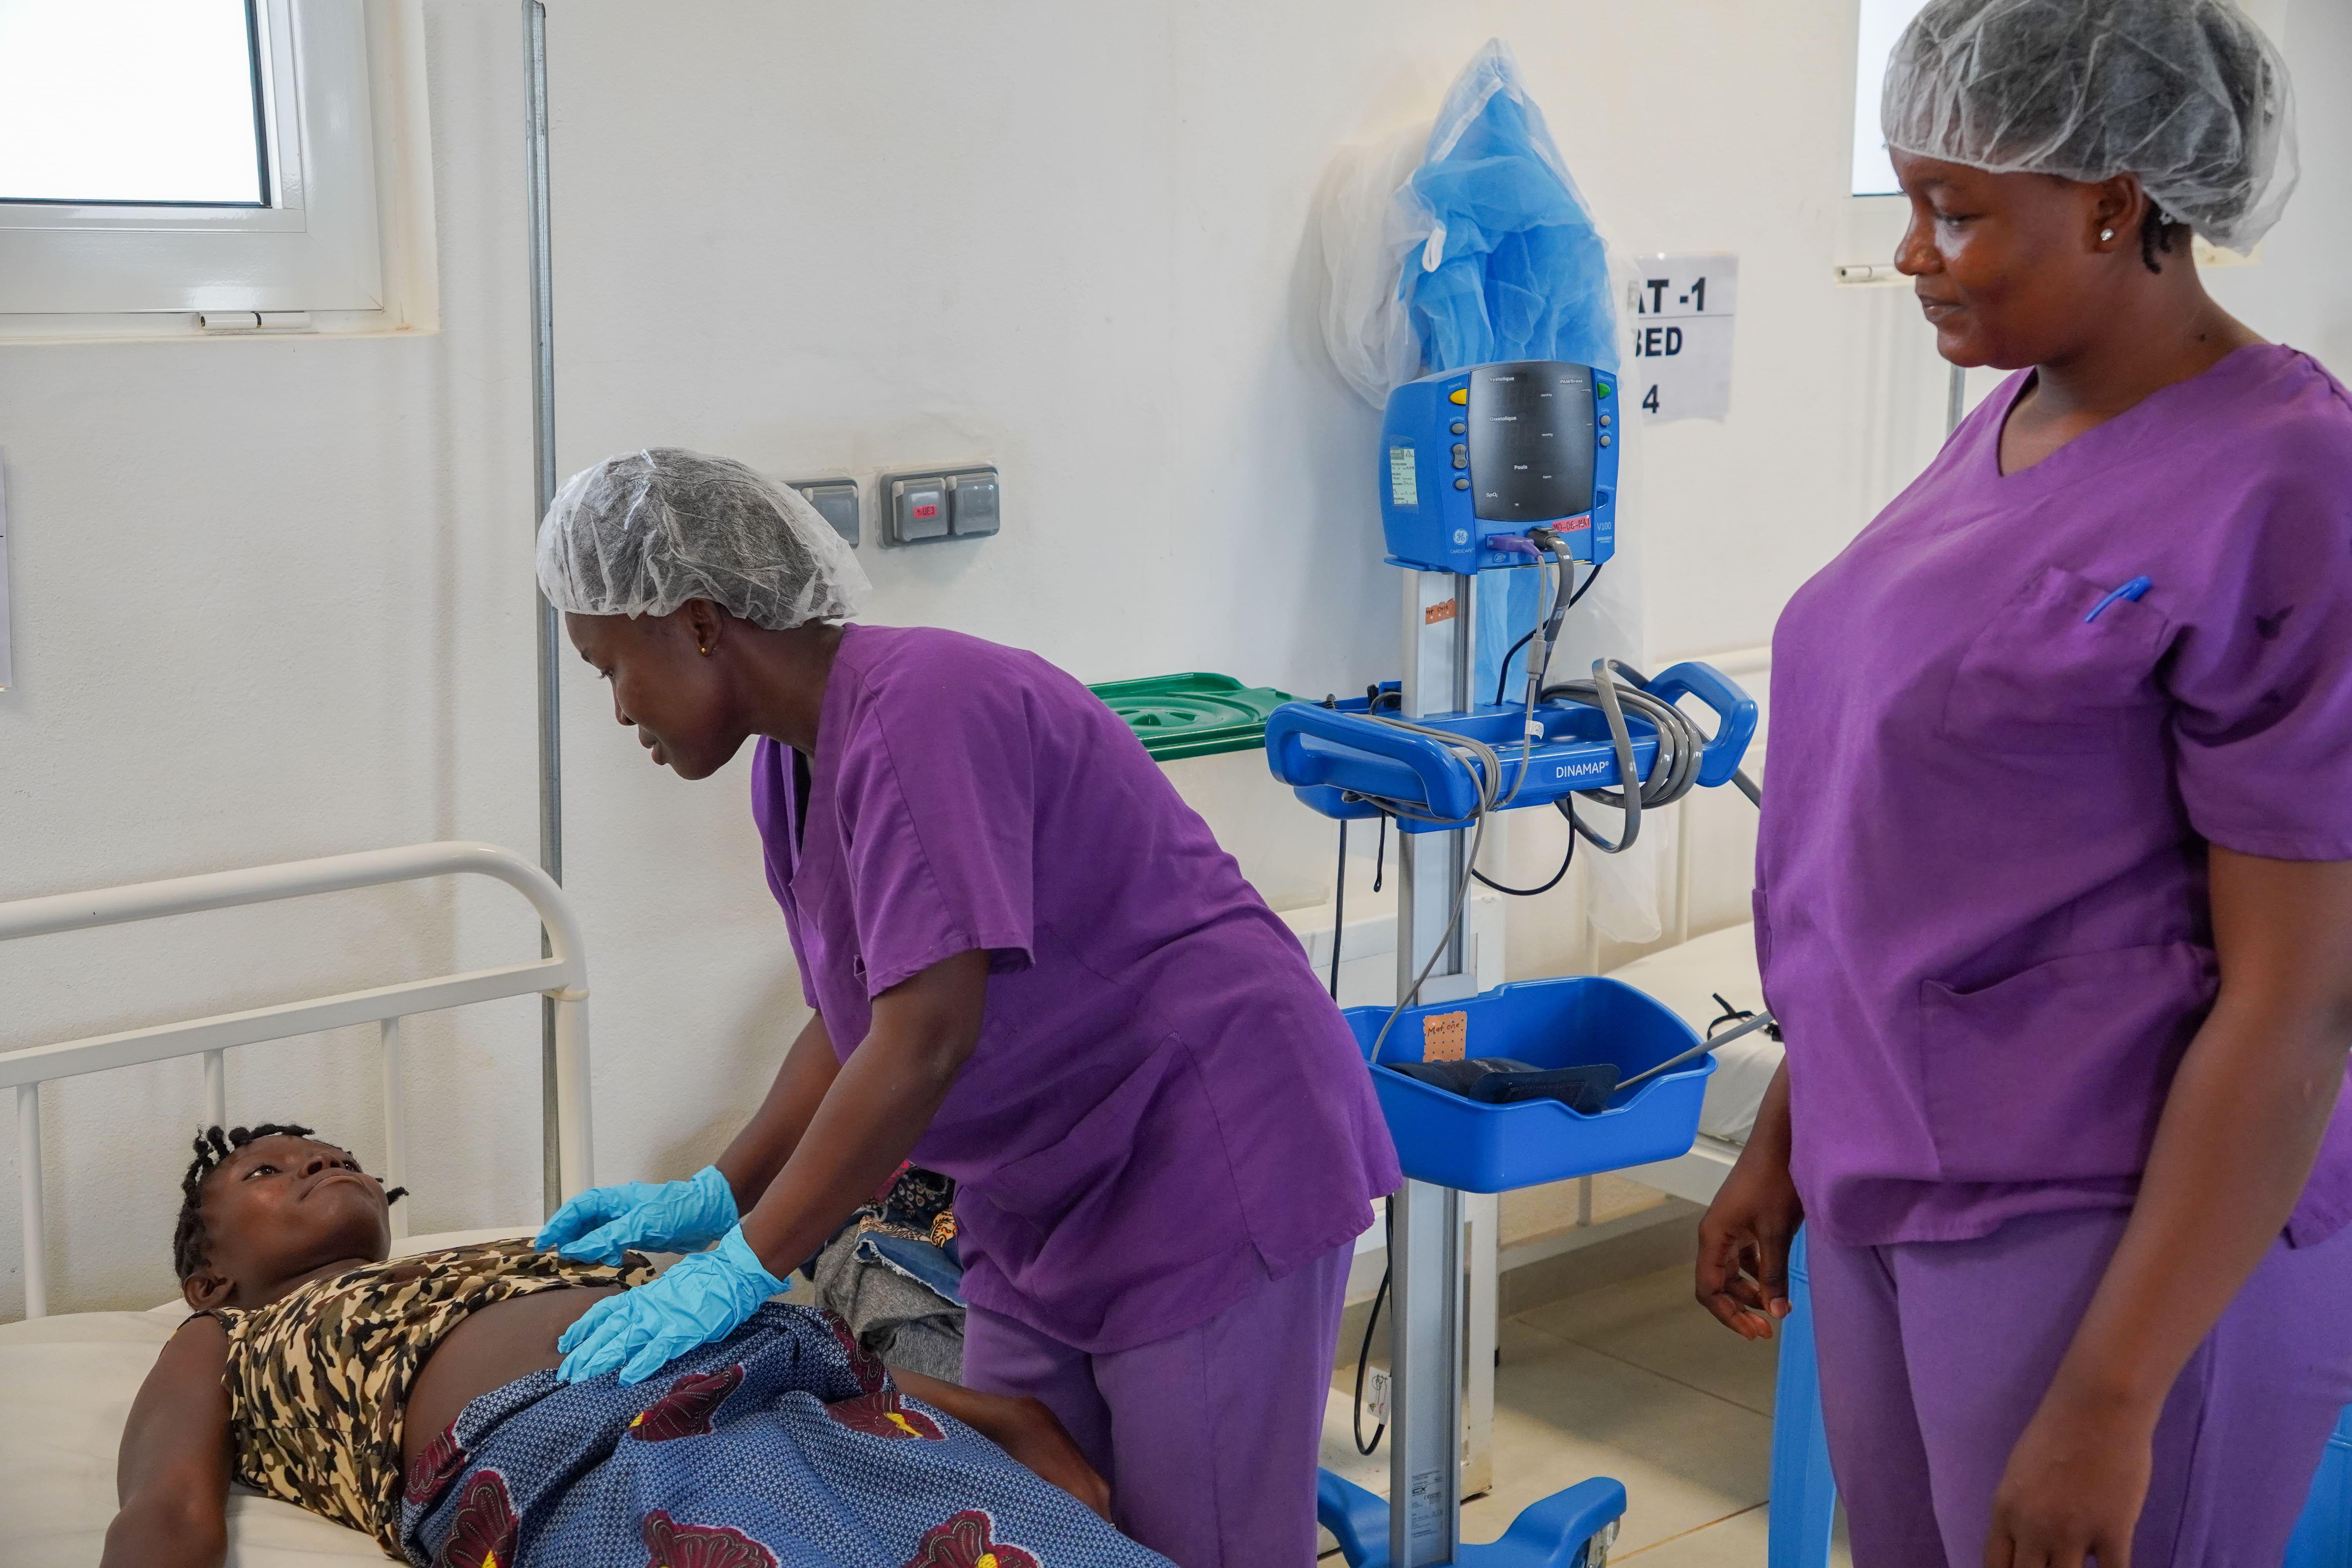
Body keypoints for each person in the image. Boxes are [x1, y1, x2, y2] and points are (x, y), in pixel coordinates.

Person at [1695, 2, 2352, 1565]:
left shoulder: (2288, 482)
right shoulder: (2011, 417)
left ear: (2118, 201)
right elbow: (1925, 850)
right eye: (1912, 199)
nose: (1914, 253)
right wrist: (1793, 1124)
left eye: (1958, 211)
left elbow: (2305, 999)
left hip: (2105, 1229)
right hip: (1891, 1172)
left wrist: (2117, 1395)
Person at [530, 448, 1401, 1568]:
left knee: (1203, 1548)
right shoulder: (790, 764)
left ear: (699, 625)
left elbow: (925, 1039)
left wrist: (746, 1262)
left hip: (1204, 1155)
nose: (616, 710)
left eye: (611, 667)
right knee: (1024, 1532)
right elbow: (851, 1017)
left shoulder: (927, 707)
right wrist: (720, 1191)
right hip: (1045, 1199)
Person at [107, 1125, 1159, 1568]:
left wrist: (1009, 1415)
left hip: (797, 1389)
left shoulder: (524, 1251)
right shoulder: (228, 1333)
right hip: (593, 1459)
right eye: (269, 1172)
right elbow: (169, 1508)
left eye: (334, 1154)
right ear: (208, 1276)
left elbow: (812, 1354)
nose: (320, 1163)